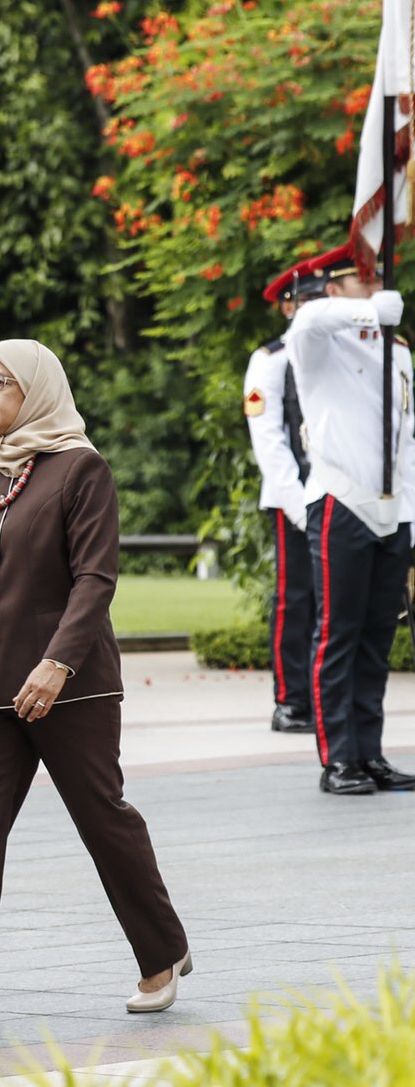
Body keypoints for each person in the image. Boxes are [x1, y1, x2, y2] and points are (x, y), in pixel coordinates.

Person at [0, 339, 191, 1028]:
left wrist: (57, 662)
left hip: (74, 686)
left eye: (3, 381)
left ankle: (161, 953)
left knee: (103, 819)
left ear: (37, 388)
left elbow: (96, 577)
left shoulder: (79, 468)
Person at [283, 242, 415, 795]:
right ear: (336, 289)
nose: (376, 285)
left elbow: (405, 438)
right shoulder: (319, 342)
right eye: (363, 279)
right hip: (343, 501)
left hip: (393, 508)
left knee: (377, 638)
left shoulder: (400, 350)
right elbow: (308, 317)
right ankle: (339, 758)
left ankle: (370, 752)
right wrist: (369, 313)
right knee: (338, 635)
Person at [244, 259, 324, 735]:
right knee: (296, 599)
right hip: (293, 499)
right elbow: (269, 438)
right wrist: (300, 507)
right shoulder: (270, 360)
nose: (316, 308)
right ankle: (291, 699)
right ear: (288, 306)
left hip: (334, 494)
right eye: (308, 300)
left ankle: (323, 694)